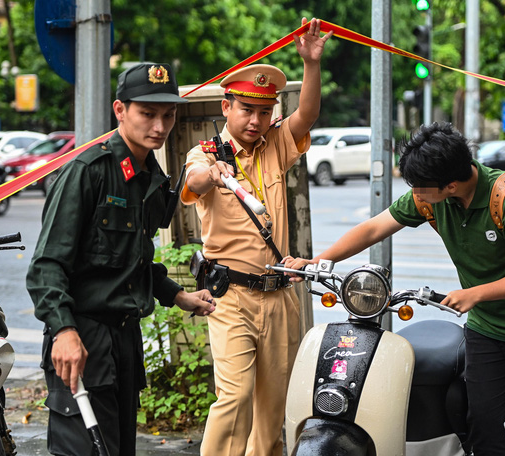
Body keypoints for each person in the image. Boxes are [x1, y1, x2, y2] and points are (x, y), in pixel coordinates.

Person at [287, 122, 505, 456]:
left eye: (420, 188)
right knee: (481, 422)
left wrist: (473, 294)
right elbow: (373, 229)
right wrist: (317, 262)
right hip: (487, 329)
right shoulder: (431, 196)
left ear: (451, 185)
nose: (416, 195)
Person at [26, 62, 216, 456]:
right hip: (82, 336)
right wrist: (63, 331)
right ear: (120, 110)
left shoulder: (151, 177)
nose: (160, 126)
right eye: (147, 114)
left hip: (125, 341)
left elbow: (134, 260)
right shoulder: (88, 171)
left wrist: (179, 297)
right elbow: (47, 265)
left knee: (116, 449)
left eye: (168, 114)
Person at [180, 17, 332, 456]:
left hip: (280, 293)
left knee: (273, 409)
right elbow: (194, 180)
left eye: (264, 111)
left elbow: (308, 113)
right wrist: (213, 173)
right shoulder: (205, 153)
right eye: (247, 109)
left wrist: (311, 64)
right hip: (230, 296)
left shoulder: (276, 144)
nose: (256, 119)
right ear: (226, 107)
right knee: (235, 397)